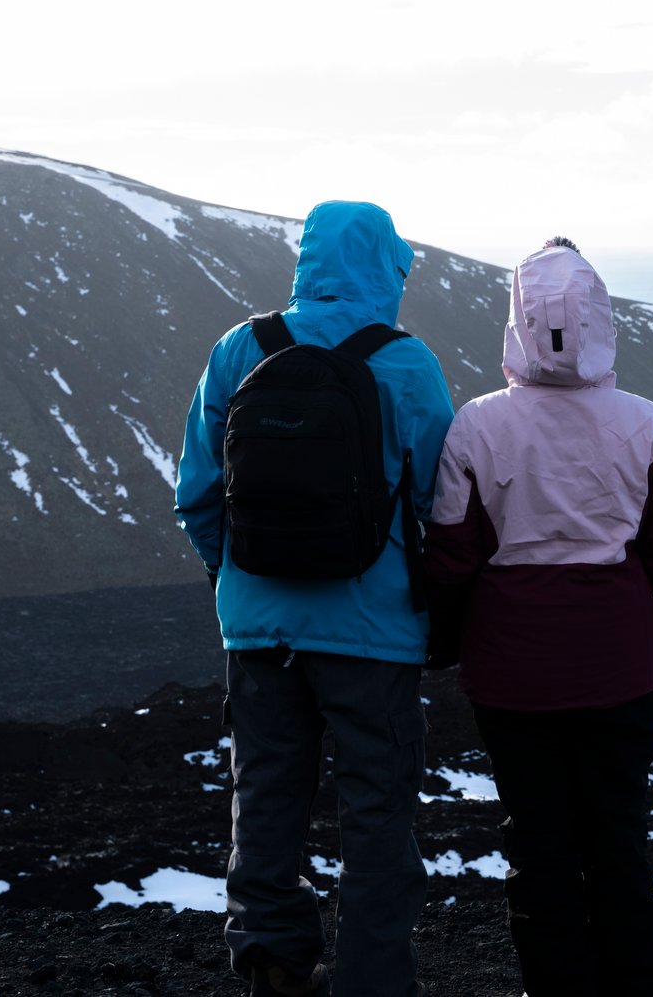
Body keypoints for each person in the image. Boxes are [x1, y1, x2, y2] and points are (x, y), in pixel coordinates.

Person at [423, 237, 653, 997]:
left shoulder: (476, 426)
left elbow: (452, 558)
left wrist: (436, 640)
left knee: (540, 846)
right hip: (620, 671)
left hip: (510, 677)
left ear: (519, 319)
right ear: (598, 316)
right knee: (617, 841)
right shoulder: (644, 422)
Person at [175, 200, 454, 997]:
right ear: (388, 267)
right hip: (374, 633)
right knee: (375, 813)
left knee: (264, 797)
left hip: (259, 633)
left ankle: (272, 966)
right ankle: (370, 983)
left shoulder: (241, 348)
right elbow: (444, 498)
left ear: (307, 259)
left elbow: (197, 492)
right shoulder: (405, 363)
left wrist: (233, 583)